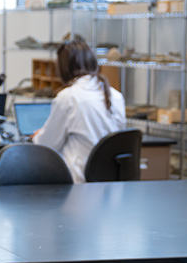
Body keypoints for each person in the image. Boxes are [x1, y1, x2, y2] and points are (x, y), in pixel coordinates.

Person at [33, 38, 126, 183]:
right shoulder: (116, 96)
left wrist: (37, 136)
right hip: (111, 187)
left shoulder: (68, 97)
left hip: (78, 185)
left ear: (63, 68)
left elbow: (46, 145)